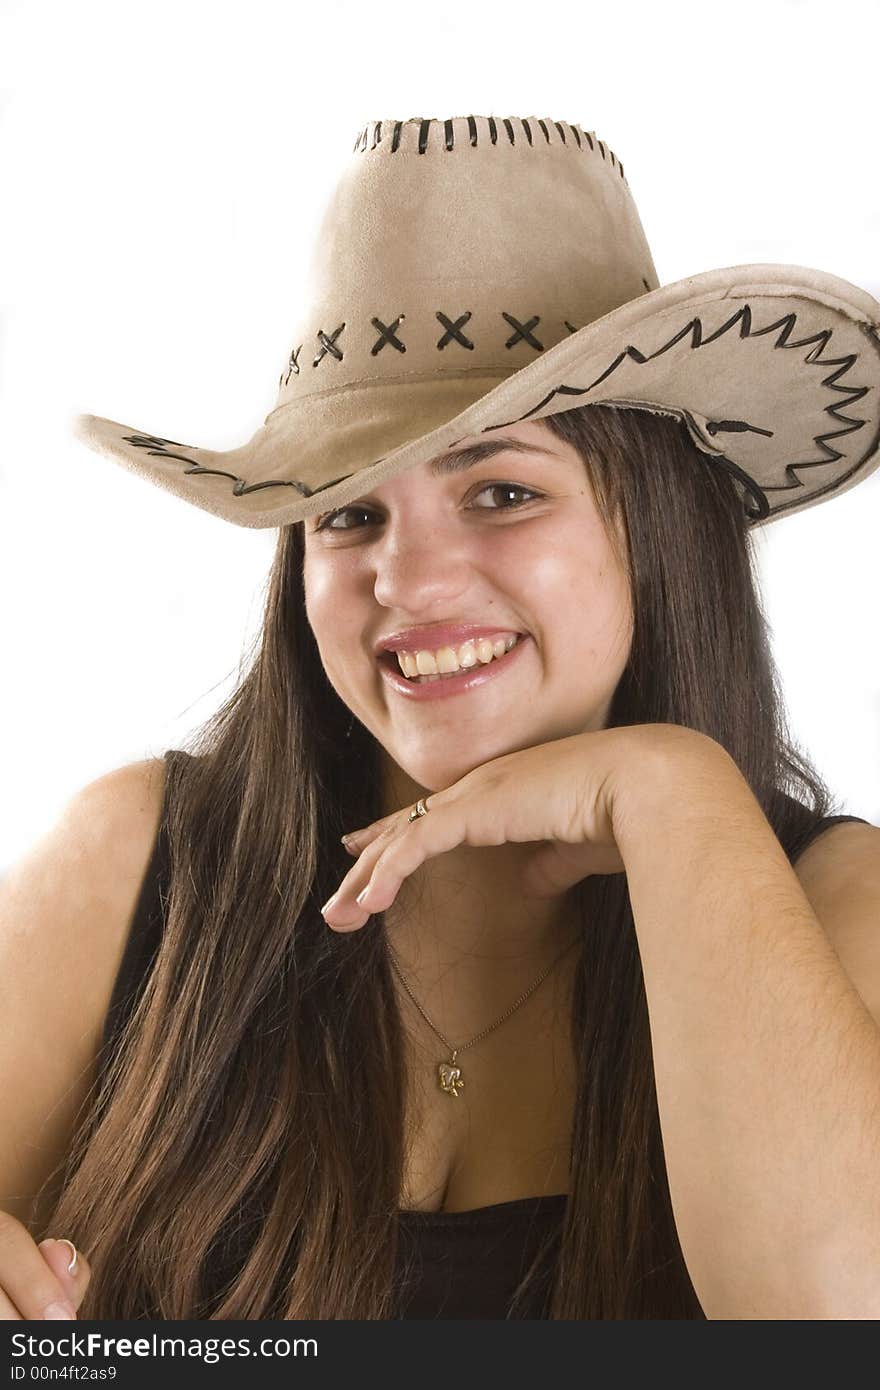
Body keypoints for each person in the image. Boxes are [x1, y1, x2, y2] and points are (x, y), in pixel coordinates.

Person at [2, 114, 880, 1322]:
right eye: (348, 515)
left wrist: (673, 791)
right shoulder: (135, 860)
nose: (405, 584)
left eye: (502, 490)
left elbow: (831, 1323)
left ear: (660, 529)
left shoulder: (835, 898)